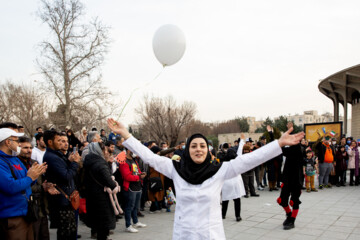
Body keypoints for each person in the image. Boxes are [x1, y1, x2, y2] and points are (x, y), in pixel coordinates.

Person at [107, 118, 304, 239]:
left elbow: (250, 160)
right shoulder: (175, 169)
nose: (198, 149)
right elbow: (150, 157)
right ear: (187, 150)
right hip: (183, 234)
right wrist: (126, 134)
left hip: (210, 234)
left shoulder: (220, 170)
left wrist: (278, 144)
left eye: (202, 146)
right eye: (194, 146)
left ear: (208, 150)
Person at [0, 128, 47, 240]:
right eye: (16, 141)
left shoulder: (14, 159)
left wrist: (35, 174)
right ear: (8, 142)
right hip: (12, 216)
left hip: (26, 213)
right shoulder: (1, 162)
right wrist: (30, 177)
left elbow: (27, 180)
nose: (18, 144)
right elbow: (10, 187)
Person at [43, 130, 80, 240]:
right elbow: (66, 176)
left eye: (64, 141)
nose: (62, 143)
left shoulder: (58, 155)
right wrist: (75, 163)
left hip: (67, 199)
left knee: (70, 231)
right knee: (66, 233)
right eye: (59, 140)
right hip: (62, 200)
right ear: (50, 142)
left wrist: (69, 162)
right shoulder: (52, 157)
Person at [84, 142, 118, 240]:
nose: (107, 152)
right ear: (100, 151)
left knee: (98, 224)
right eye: (105, 150)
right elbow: (109, 181)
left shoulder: (89, 161)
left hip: (92, 196)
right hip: (102, 198)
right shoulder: (100, 164)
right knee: (103, 224)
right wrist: (114, 184)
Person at [277, 122, 304, 230]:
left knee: (294, 201)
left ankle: (292, 220)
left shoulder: (298, 149)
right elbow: (279, 146)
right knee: (282, 200)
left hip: (296, 180)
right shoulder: (288, 149)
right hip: (287, 178)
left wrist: (291, 132)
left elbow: (284, 148)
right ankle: (289, 215)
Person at [119, 147, 147, 233]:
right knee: (129, 207)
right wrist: (138, 177)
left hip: (137, 186)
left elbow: (136, 171)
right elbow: (126, 176)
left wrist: (141, 174)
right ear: (128, 150)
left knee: (135, 206)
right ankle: (128, 225)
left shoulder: (134, 160)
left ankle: (135, 221)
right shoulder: (124, 161)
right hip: (130, 187)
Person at [219, 138, 245, 222]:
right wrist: (241, 142)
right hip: (236, 182)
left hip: (226, 183)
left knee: (225, 200)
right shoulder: (237, 160)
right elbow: (240, 151)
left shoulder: (223, 161)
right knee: (237, 200)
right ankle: (238, 216)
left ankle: (223, 215)